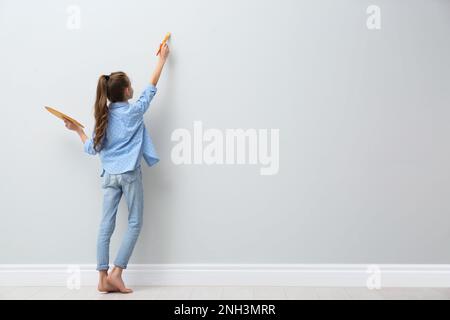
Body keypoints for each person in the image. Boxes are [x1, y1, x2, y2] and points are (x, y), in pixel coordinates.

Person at [63, 43, 170, 293]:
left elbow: (92, 148)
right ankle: (116, 273)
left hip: (109, 175)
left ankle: (102, 277)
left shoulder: (103, 117)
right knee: (135, 222)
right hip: (129, 176)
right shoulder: (133, 113)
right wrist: (162, 60)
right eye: (130, 84)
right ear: (124, 91)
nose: (133, 87)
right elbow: (150, 90)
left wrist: (78, 131)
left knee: (105, 225)